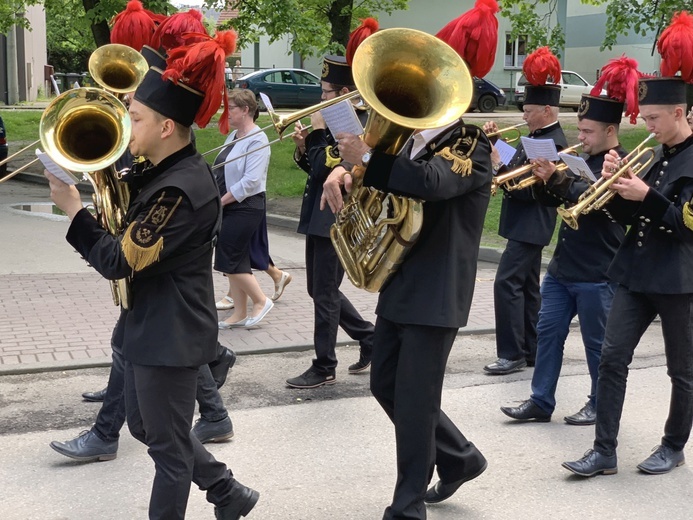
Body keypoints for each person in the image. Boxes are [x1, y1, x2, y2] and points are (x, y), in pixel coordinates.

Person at [45, 47, 259, 520]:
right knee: (148, 427)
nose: (127, 125)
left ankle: (223, 495)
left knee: (168, 452)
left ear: (166, 127)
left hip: (171, 333)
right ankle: (227, 490)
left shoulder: (178, 192)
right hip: (149, 322)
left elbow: (118, 259)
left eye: (135, 118)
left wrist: (74, 210)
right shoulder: (161, 171)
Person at [562, 74, 693, 477]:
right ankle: (604, 452)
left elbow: (686, 226)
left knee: (682, 370)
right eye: (645, 118)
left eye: (654, 118)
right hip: (635, 275)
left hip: (678, 281)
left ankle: (673, 445)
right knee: (611, 359)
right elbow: (631, 219)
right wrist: (614, 189)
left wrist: (646, 196)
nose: (648, 126)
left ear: (678, 112)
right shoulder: (656, 158)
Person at [499, 93, 628, 424]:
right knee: (548, 332)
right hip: (562, 267)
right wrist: (544, 180)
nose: (580, 137)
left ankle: (600, 403)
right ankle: (541, 400)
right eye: (580, 130)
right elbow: (549, 201)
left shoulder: (620, 164)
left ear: (610, 130)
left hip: (597, 269)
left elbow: (592, 200)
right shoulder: (576, 160)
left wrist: (557, 178)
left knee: (596, 344)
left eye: (587, 131)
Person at [285, 54, 375, 389]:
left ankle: (324, 365)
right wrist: (304, 147)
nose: (321, 99)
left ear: (345, 91)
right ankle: (370, 338)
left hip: (337, 219)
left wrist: (316, 136)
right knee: (319, 289)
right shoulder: (337, 122)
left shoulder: (356, 126)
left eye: (326, 92)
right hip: (319, 216)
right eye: (322, 92)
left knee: (324, 292)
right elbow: (318, 171)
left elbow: (334, 168)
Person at [483, 49, 567, 375]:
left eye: (529, 111)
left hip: (531, 223)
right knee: (529, 288)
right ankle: (530, 349)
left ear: (546, 110)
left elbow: (531, 188)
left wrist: (496, 163)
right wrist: (494, 144)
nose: (524, 116)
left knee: (505, 283)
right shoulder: (537, 135)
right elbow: (516, 165)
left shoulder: (552, 141)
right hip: (523, 223)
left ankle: (510, 353)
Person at [215, 89, 274, 330]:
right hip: (232, 205)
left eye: (232, 109)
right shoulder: (234, 136)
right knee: (237, 259)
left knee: (227, 259)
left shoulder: (258, 139)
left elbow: (250, 182)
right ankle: (239, 313)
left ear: (246, 110)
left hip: (245, 206)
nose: (226, 113)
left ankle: (261, 300)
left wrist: (221, 201)